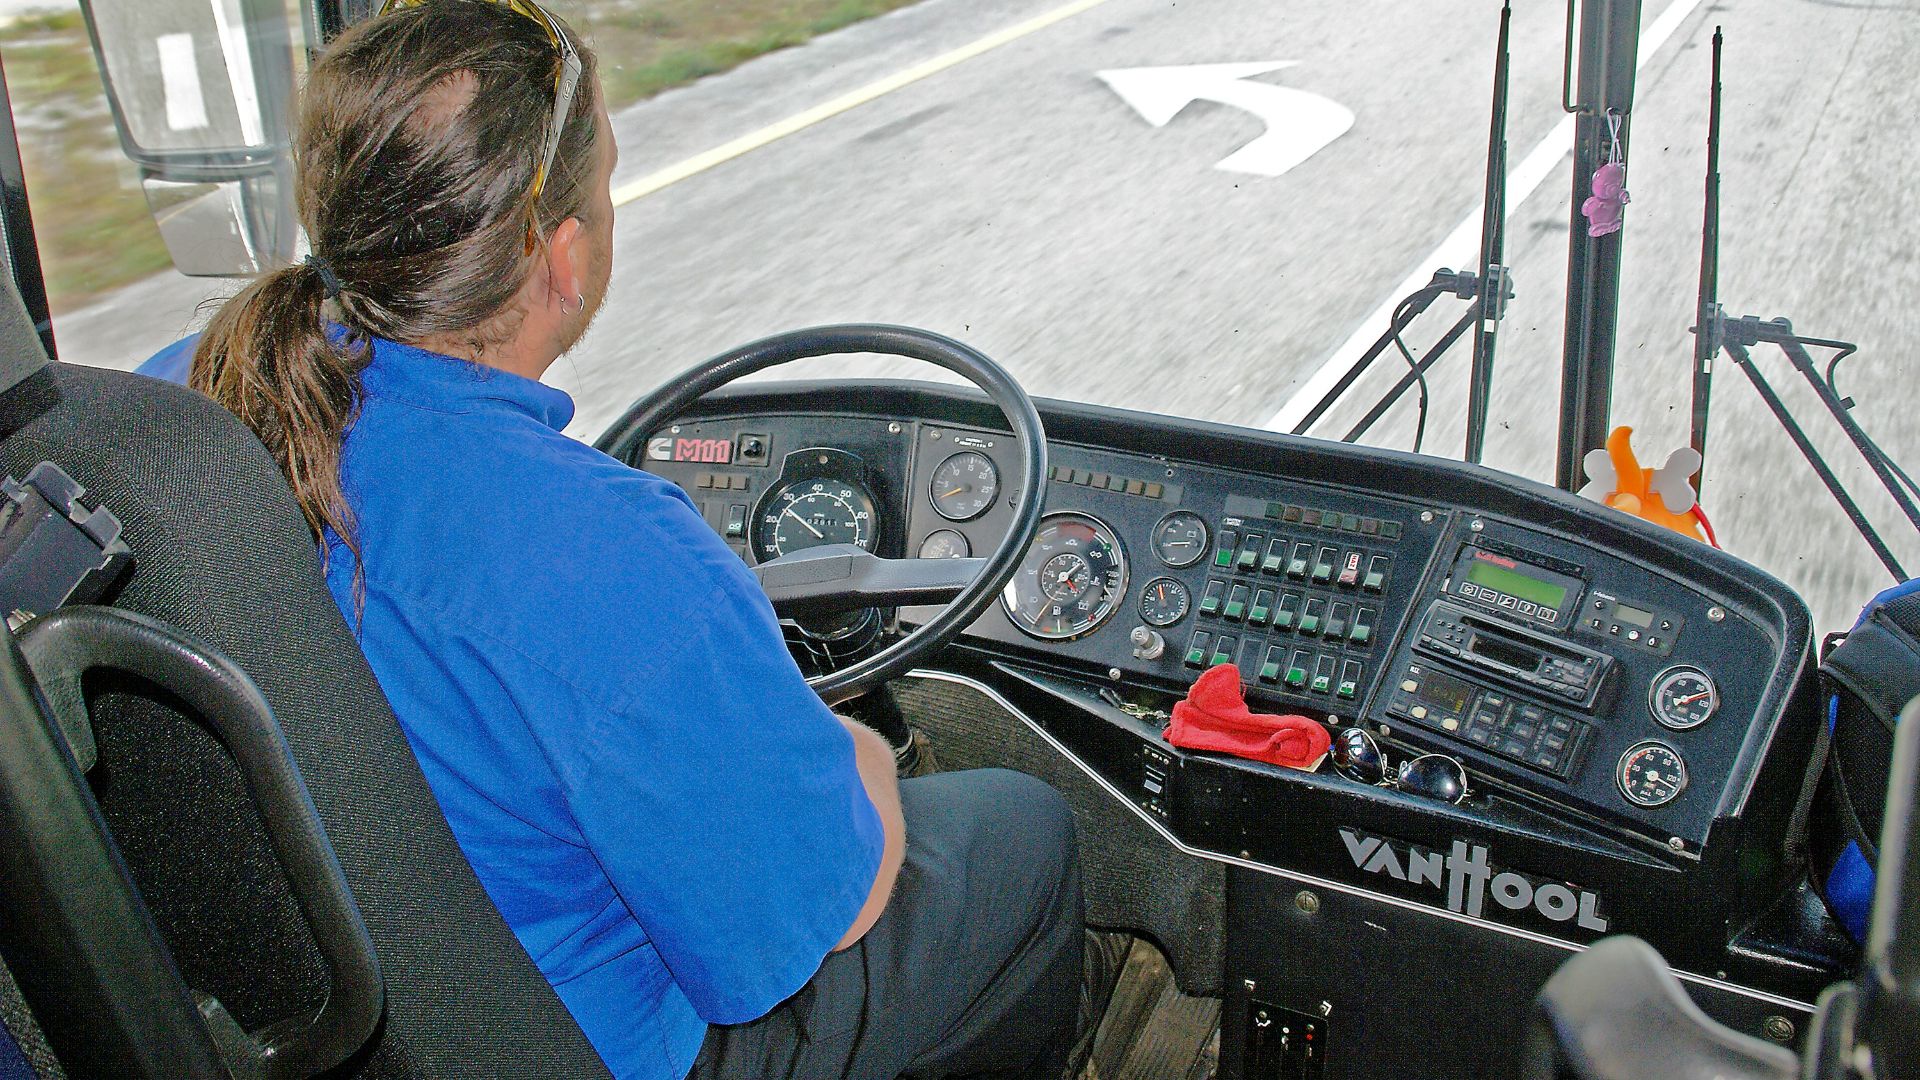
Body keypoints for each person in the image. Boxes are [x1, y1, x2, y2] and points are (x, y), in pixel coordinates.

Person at [186, 3, 1083, 1078]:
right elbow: (826, 919)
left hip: (328, 1015)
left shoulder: (185, 405)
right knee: (1020, 832)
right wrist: (867, 757)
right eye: (605, 180)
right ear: (563, 256)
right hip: (592, 1045)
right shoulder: (605, 557)